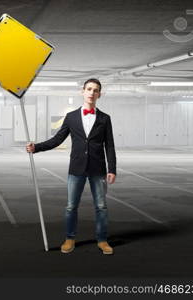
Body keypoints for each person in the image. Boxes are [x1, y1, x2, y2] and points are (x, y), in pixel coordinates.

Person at [26, 78, 117, 255]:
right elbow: (57, 139)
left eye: (95, 90)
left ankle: (103, 240)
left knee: (101, 206)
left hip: (98, 169)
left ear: (100, 94)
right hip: (76, 169)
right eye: (89, 89)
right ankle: (69, 238)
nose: (92, 92)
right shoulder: (71, 117)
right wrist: (36, 147)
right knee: (70, 206)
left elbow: (110, 145)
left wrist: (112, 168)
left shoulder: (105, 119)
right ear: (82, 92)